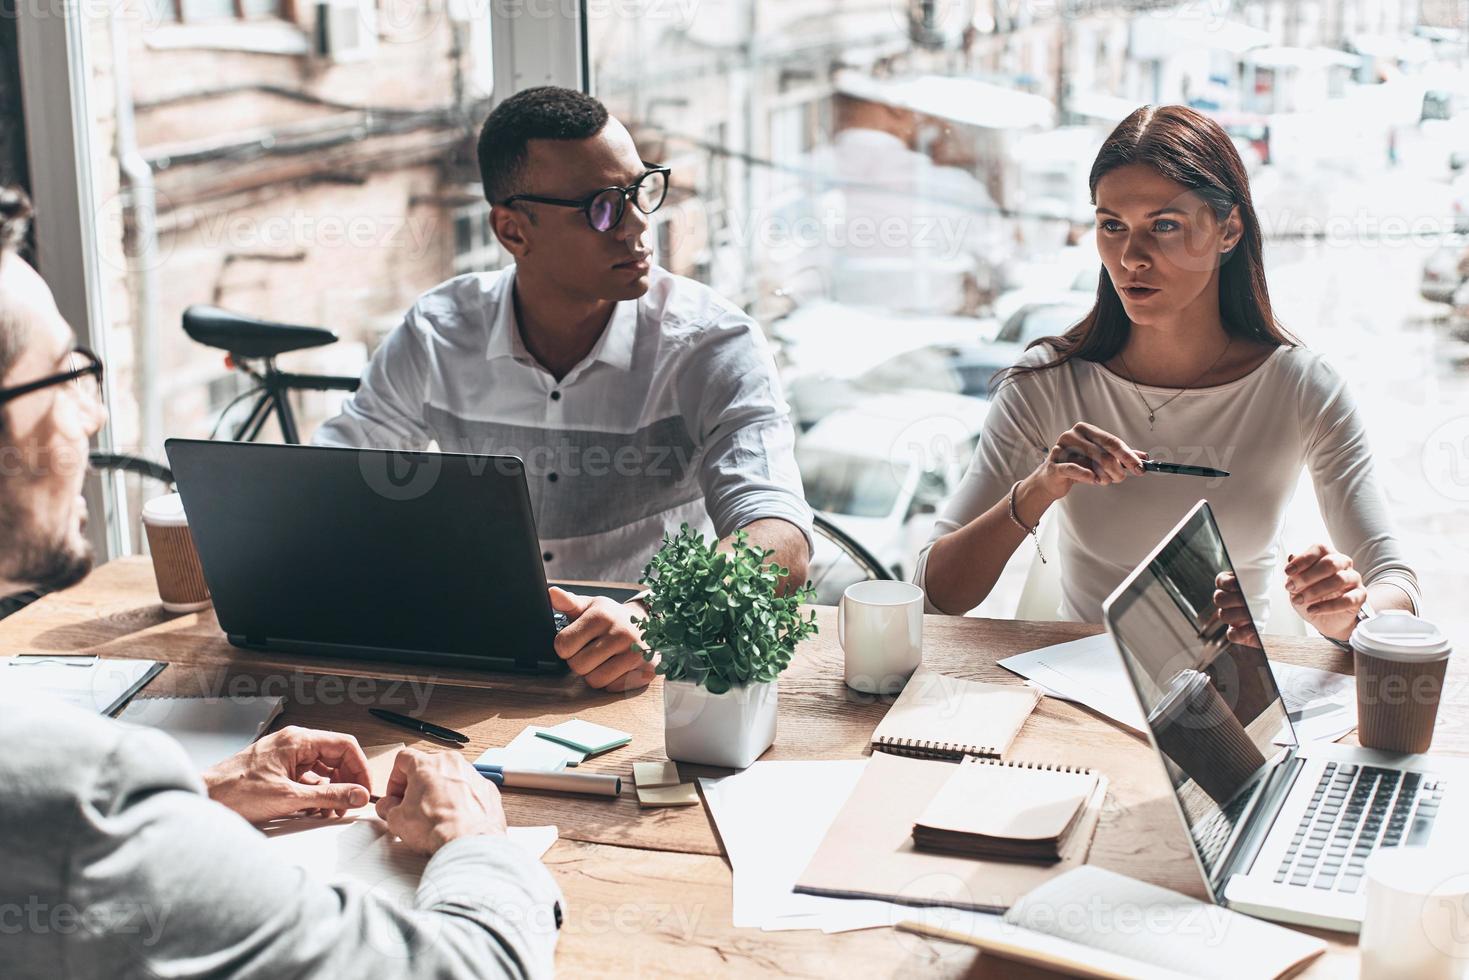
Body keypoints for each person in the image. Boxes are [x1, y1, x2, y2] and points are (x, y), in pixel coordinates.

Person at [0, 186, 562, 978]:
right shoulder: (76, 796)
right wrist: (476, 844)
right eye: (66, 373)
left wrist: (198, 798)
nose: (90, 415)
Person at [315, 86, 813, 693]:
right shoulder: (437, 332)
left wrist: (652, 615)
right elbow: (330, 482)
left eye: (640, 191)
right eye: (602, 207)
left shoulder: (711, 341)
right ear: (513, 231)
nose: (637, 226)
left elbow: (779, 536)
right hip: (476, 669)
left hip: (650, 677)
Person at [915, 105, 1419, 646]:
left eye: (1165, 226)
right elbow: (932, 595)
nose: (1131, 256)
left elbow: (1399, 586)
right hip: (1073, 696)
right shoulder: (1046, 384)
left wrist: (1351, 610)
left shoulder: (1301, 388)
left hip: (1234, 704)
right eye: (1112, 226)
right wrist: (1040, 488)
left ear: (1228, 231)